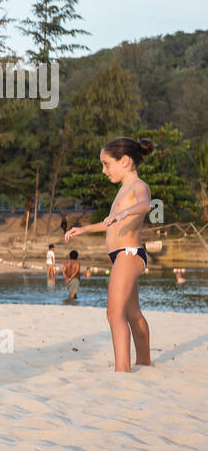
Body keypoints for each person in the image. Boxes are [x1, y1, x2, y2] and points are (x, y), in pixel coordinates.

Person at [63, 137, 155, 371]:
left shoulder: (138, 187)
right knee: (132, 312)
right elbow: (109, 222)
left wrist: (124, 214)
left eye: (106, 164)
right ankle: (144, 361)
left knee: (114, 313)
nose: (104, 171)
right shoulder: (123, 190)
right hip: (122, 255)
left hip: (129, 253)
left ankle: (122, 370)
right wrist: (83, 229)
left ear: (124, 161)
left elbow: (145, 205)